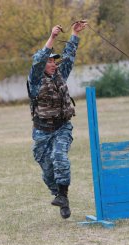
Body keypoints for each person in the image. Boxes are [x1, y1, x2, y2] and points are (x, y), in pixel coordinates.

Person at [27, 21, 87, 219]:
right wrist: (52, 38)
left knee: (60, 158)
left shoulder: (61, 74)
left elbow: (69, 56)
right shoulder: (34, 80)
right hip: (42, 132)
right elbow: (37, 60)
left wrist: (74, 34)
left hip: (62, 128)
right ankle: (60, 197)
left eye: (54, 61)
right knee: (48, 172)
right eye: (50, 62)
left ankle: (63, 195)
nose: (53, 64)